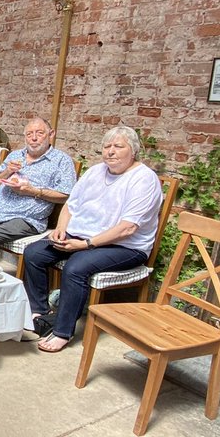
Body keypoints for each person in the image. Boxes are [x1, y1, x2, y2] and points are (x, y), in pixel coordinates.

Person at [22, 125, 164, 353]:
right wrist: (60, 228)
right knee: (34, 252)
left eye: (118, 146)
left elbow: (127, 228)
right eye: (107, 146)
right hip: (82, 236)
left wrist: (86, 245)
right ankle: (40, 312)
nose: (111, 151)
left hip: (125, 246)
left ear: (134, 151)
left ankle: (62, 331)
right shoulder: (96, 171)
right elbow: (70, 204)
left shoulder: (144, 179)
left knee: (76, 267)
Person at [0, 117, 77, 264]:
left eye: (39, 133)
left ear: (51, 134)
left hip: (26, 218)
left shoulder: (62, 161)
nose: (34, 138)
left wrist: (33, 191)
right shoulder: (16, 155)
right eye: (29, 134)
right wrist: (7, 171)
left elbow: (66, 195)